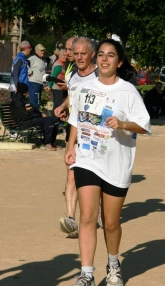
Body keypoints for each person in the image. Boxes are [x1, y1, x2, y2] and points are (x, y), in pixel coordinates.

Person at [65, 38, 151, 286]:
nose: (104, 59)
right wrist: (71, 146)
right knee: (88, 216)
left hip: (116, 163)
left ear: (119, 61)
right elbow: (75, 119)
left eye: (110, 55)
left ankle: (113, 265)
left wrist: (123, 124)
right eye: (101, 54)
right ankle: (87, 275)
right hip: (87, 160)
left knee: (111, 223)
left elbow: (144, 125)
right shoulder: (84, 87)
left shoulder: (128, 91)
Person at [56, 37, 98, 239]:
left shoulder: (100, 75)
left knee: (94, 178)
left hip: (97, 136)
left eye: (83, 54)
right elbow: (72, 97)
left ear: (91, 54)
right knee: (72, 174)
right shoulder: (72, 74)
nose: (79, 57)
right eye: (76, 53)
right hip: (75, 131)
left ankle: (93, 214)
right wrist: (64, 108)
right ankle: (71, 219)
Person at [10, 82, 61, 151]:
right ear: (24, 91)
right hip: (23, 122)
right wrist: (39, 115)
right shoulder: (17, 101)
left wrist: (40, 113)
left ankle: (52, 142)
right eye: (27, 90)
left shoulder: (24, 99)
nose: (28, 92)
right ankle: (47, 143)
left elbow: (32, 109)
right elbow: (24, 115)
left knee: (54, 119)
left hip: (30, 119)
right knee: (48, 121)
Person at [28, 43, 49, 111]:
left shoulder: (43, 60)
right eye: (41, 50)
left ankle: (36, 116)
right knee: (34, 102)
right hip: (34, 83)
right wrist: (30, 71)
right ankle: (35, 117)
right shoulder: (33, 58)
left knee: (38, 102)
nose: (43, 52)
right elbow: (25, 63)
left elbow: (52, 58)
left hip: (40, 84)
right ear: (36, 51)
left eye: (43, 50)